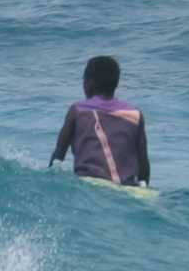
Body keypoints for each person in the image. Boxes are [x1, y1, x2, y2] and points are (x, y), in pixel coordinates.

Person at [51, 54, 151, 188]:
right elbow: (144, 167)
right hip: (129, 188)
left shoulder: (78, 110)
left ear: (88, 83)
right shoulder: (135, 114)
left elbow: (58, 157)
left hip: (91, 185)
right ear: (116, 84)